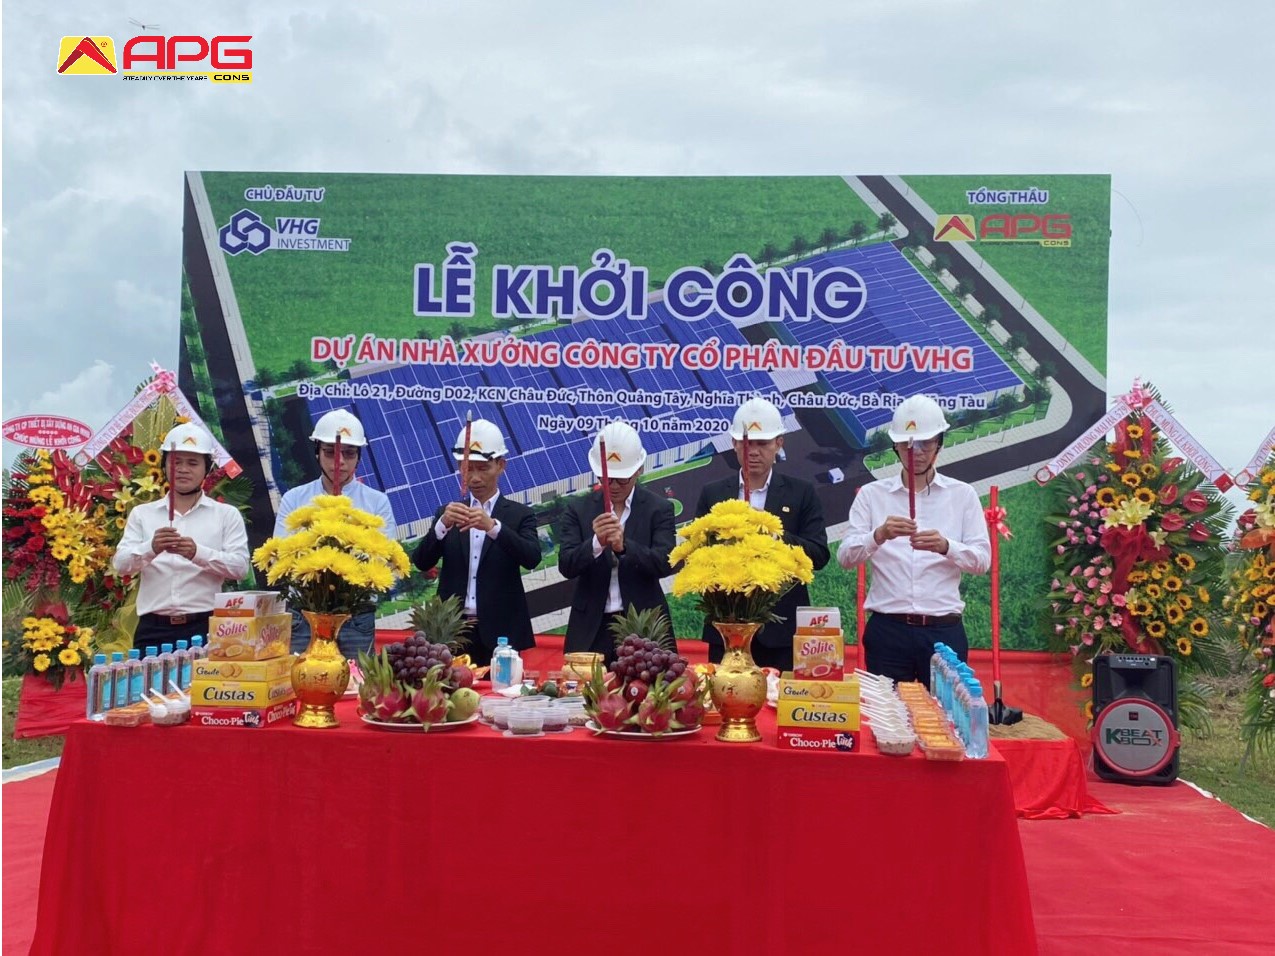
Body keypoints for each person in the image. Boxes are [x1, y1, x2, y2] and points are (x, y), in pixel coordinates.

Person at [836, 394, 990, 687]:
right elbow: (845, 557)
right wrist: (877, 536)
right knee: (890, 720)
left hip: (943, 631)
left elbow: (982, 561)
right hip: (888, 629)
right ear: (895, 445)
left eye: (925, 443)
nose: (915, 451)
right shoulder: (872, 495)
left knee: (947, 721)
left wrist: (947, 546)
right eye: (907, 443)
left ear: (939, 444)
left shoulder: (962, 494)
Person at [694, 397, 829, 671]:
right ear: (734, 444)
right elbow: (696, 554)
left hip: (779, 634)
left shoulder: (801, 492)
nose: (753, 452)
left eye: (762, 443)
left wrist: (775, 540)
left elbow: (819, 554)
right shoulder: (713, 493)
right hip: (725, 625)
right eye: (746, 443)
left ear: (779, 443)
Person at [412, 418, 540, 667]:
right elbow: (421, 561)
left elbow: (532, 557)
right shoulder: (447, 513)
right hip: (453, 631)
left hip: (501, 632)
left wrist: (493, 528)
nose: (475, 477)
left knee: (501, 695)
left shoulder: (518, 514)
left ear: (501, 465)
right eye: (467, 468)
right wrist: (442, 526)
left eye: (483, 468)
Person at [113, 423, 249, 652]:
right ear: (164, 466)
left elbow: (240, 568)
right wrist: (151, 547)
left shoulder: (226, 515)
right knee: (148, 688)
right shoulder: (143, 514)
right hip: (153, 629)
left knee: (201, 688)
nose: (183, 469)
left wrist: (197, 553)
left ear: (207, 468)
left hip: (206, 627)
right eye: (176, 462)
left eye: (193, 463)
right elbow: (121, 565)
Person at [275, 408, 397, 660]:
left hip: (356, 616)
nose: (339, 461)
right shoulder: (295, 499)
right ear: (317, 453)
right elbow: (281, 557)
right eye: (330, 453)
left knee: (356, 688)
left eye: (349, 454)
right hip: (304, 614)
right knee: (301, 683)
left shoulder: (376, 503)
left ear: (359, 457)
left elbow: (384, 559)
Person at [559, 422, 675, 664]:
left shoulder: (658, 508)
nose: (613, 486)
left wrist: (625, 547)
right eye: (606, 478)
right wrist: (595, 544)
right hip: (591, 624)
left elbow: (665, 563)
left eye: (622, 480)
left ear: (639, 469)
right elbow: (566, 565)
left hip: (643, 624)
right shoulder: (578, 509)